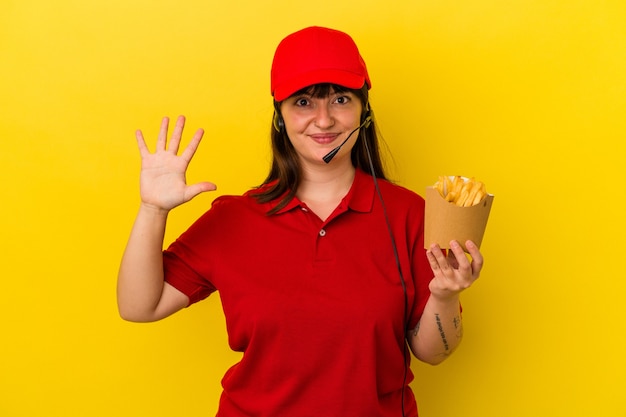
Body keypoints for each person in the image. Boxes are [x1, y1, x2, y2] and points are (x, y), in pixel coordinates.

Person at [117, 26, 483, 417]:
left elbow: (432, 353)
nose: (323, 120)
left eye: (340, 99)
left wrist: (446, 295)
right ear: (280, 116)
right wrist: (153, 210)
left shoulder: (410, 214)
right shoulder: (234, 219)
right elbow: (140, 306)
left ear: (364, 111)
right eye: (304, 102)